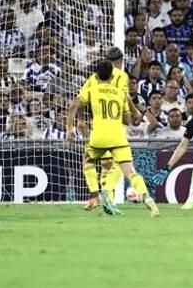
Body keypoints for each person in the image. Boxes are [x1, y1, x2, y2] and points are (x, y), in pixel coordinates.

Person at [67, 59, 159, 217]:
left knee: (87, 162)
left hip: (98, 137)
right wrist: (134, 114)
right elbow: (128, 120)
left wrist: (70, 128)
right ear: (112, 76)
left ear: (96, 75)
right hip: (118, 137)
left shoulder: (92, 89)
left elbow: (74, 104)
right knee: (130, 172)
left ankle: (95, 194)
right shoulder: (120, 93)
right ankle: (147, 198)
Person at [78, 47, 143, 212]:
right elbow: (124, 97)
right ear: (120, 61)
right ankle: (108, 197)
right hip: (116, 125)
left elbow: (79, 99)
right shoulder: (121, 75)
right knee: (117, 165)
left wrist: (80, 120)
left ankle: (98, 197)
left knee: (101, 163)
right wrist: (135, 112)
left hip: (98, 126)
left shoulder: (94, 77)